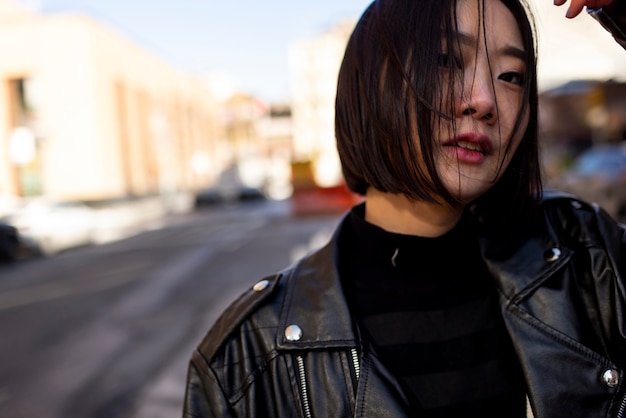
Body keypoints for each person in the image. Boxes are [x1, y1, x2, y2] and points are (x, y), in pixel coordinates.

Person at [183, 0, 626, 416]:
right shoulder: (248, 355)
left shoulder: (587, 258)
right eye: (446, 60)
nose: (485, 100)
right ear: (372, 84)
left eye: (511, 76)